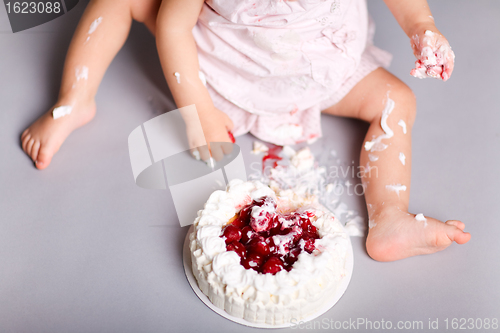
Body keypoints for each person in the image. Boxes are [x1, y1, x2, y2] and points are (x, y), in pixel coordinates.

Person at [20, 0, 470, 261]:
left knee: (398, 101)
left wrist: (421, 26)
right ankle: (73, 101)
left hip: (317, 76)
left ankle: (389, 217)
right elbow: (174, 27)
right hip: (223, 81)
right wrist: (198, 112)